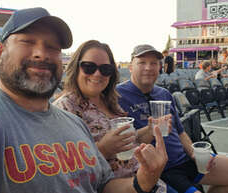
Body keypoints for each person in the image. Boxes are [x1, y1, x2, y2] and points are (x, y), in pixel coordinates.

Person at [0, 8, 167, 193]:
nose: (41, 54)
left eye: (52, 47)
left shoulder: (74, 124)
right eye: (28, 41)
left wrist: (143, 181)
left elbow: (103, 186)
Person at [116, 44, 228, 193]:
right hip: (162, 170)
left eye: (153, 63)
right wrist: (150, 130)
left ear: (159, 67)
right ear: (130, 67)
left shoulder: (164, 93)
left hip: (184, 158)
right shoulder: (117, 96)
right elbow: (122, 145)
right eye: (141, 62)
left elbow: (180, 132)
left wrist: (193, 153)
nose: (148, 68)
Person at [53, 40, 171, 192]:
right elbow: (65, 169)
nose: (97, 74)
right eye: (89, 67)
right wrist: (103, 148)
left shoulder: (110, 100)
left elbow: (130, 140)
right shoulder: (65, 107)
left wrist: (150, 129)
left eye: (105, 69)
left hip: (150, 182)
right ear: (76, 68)